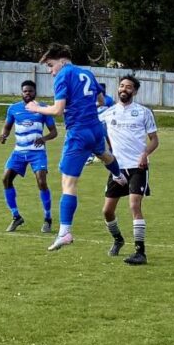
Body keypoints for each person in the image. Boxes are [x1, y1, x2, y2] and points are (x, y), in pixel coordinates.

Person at [24, 44, 127, 251]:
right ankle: (119, 176)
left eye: (51, 66)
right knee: (104, 154)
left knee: (68, 183)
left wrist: (37, 108)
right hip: (95, 129)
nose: (51, 72)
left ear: (62, 61)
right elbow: (100, 100)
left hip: (78, 133)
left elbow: (58, 110)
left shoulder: (64, 75)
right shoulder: (86, 72)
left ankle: (65, 232)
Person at [99, 75, 159, 265]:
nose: (124, 89)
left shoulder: (143, 112)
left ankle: (140, 252)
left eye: (129, 87)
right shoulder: (108, 113)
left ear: (135, 91)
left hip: (138, 167)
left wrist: (144, 154)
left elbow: (155, 140)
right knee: (107, 211)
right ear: (118, 89)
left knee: (134, 205)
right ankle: (118, 239)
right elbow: (103, 136)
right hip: (117, 168)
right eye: (122, 86)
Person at [0, 80, 58, 233]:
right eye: (25, 91)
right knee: (6, 179)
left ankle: (47, 218)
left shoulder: (43, 109)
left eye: (30, 91)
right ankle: (16, 216)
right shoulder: (13, 109)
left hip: (37, 152)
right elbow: (7, 126)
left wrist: (43, 139)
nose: (27, 94)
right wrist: (3, 135)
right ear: (21, 92)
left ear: (35, 92)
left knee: (41, 182)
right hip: (19, 152)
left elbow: (54, 132)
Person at [86, 83, 116, 165]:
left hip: (106, 123)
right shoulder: (94, 99)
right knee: (93, 139)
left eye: (103, 89)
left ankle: (112, 152)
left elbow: (113, 110)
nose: (102, 90)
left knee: (108, 138)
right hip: (95, 122)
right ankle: (91, 156)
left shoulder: (109, 100)